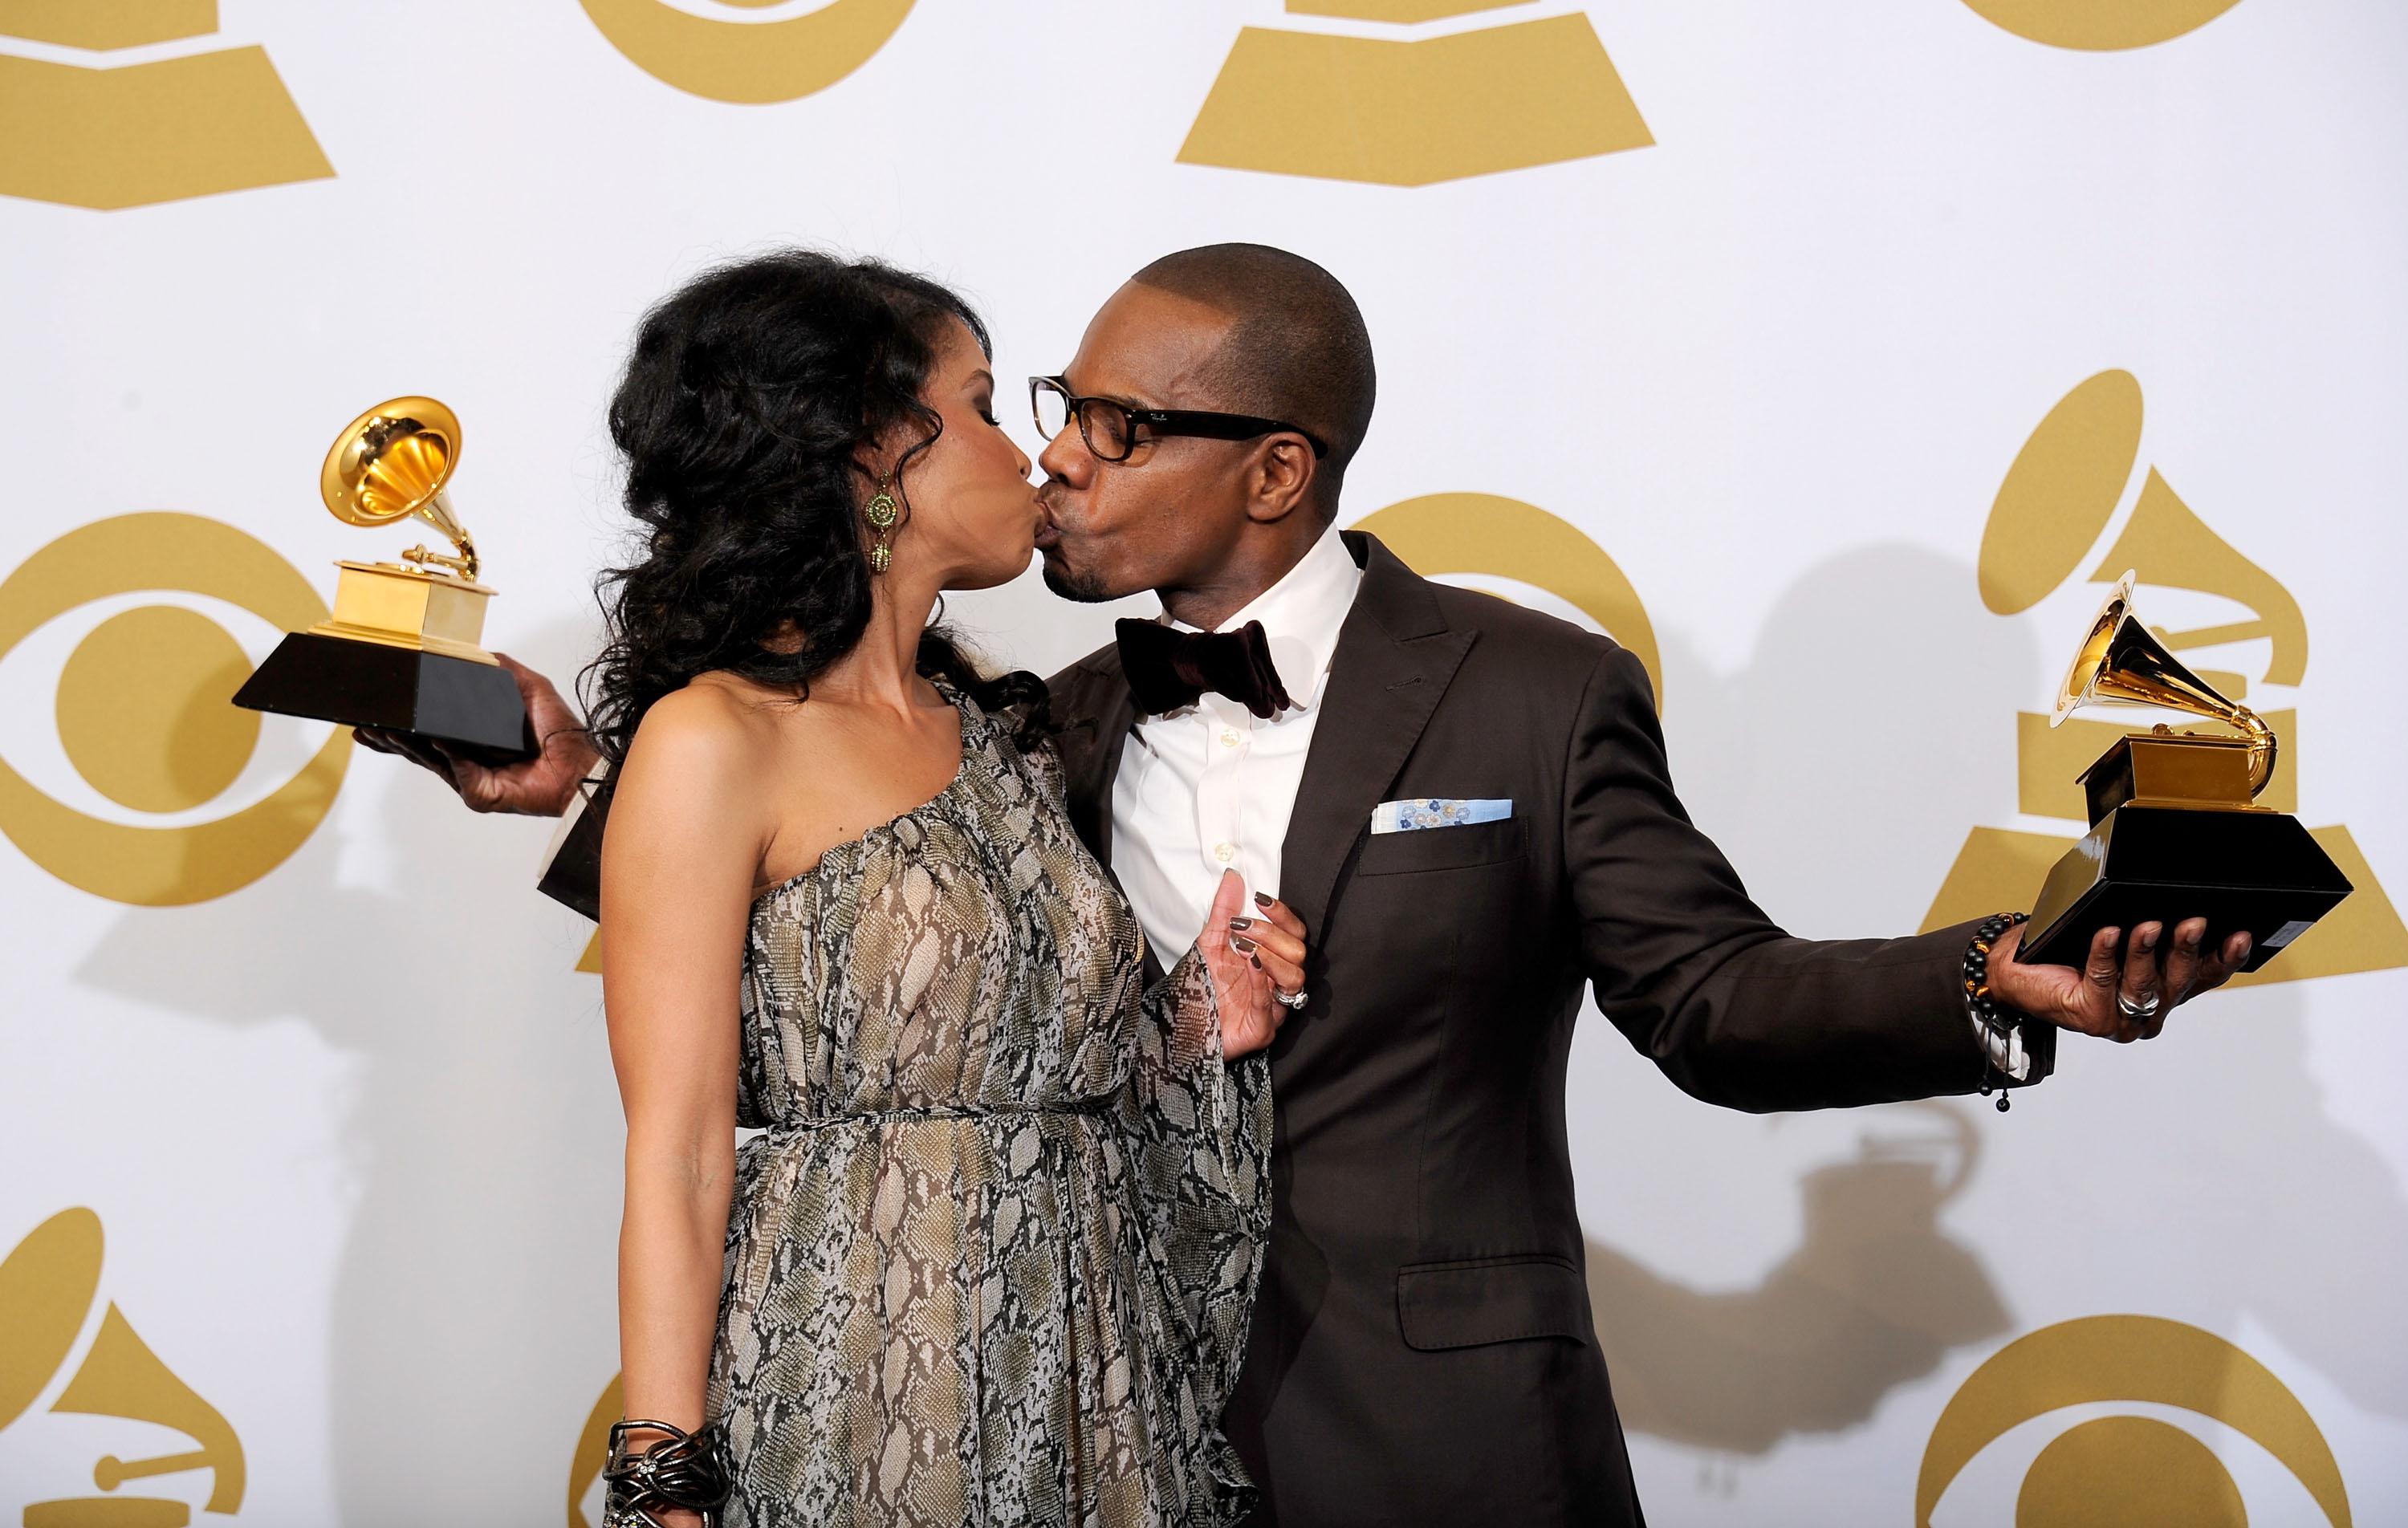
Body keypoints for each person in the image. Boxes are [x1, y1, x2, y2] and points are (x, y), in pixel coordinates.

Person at [366, 244, 2250, 1527]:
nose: (1062, 460)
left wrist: (2003, 979)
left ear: (1275, 469)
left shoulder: (1531, 688)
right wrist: (592, 787)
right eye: (1044, 408)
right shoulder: (1039, 726)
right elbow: (851, 927)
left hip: (1422, 1440)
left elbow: (1715, 998)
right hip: (1041, 1420)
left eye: (1114, 425)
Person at [460, 250, 1311, 1527]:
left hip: (1092, 1373)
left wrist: (1203, 1015)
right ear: (870, 451)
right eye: (977, 404)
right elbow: (682, 1160)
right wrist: (661, 1486)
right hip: (869, 1375)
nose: (1035, 455)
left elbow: (1050, 1074)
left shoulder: (1007, 735)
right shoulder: (715, 740)